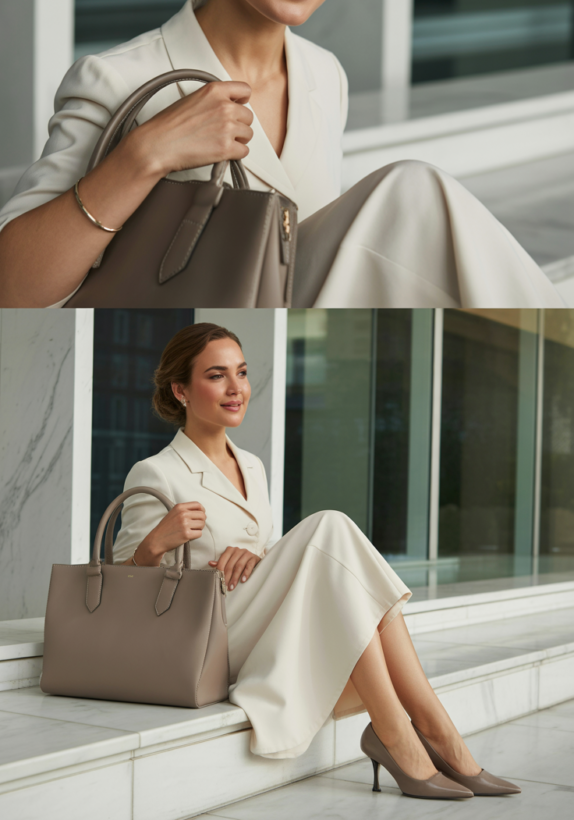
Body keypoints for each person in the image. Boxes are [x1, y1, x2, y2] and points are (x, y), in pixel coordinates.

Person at [0, 0, 562, 309]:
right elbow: (12, 289)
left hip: (296, 344)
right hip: (187, 337)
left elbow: (308, 263)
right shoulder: (119, 78)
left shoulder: (323, 76)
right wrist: (145, 155)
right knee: (412, 190)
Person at [112, 321, 520, 797]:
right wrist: (154, 544)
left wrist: (258, 556)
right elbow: (122, 592)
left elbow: (257, 560)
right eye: (216, 375)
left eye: (241, 373)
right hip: (207, 640)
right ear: (181, 389)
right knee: (331, 528)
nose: (236, 388)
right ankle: (419, 732)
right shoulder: (157, 472)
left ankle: (417, 731)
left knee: (342, 577)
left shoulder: (252, 467)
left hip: (256, 620)